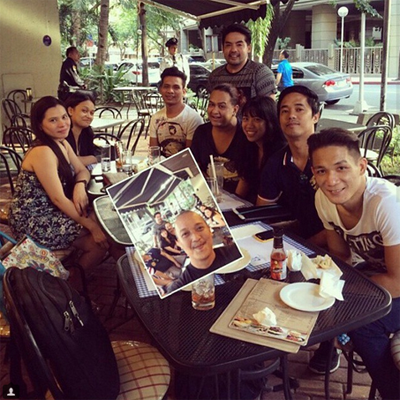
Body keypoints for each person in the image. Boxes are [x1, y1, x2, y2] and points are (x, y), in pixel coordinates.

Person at [308, 128, 400, 400]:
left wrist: (340, 292)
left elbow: (396, 282)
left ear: (362, 167)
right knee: (319, 301)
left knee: (361, 323)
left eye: (341, 168)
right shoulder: (323, 200)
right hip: (376, 276)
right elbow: (342, 258)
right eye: (321, 171)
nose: (331, 180)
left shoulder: (386, 203)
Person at [8, 96, 108, 275]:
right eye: (53, 120)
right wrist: (91, 227)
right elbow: (58, 199)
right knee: (98, 235)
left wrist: (79, 186)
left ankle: (70, 290)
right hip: (34, 219)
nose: (62, 124)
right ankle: (69, 292)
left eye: (64, 117)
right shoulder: (43, 151)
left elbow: (82, 170)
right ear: (40, 125)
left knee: (100, 221)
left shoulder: (61, 142)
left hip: (52, 211)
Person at [257, 85, 326, 247]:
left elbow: (347, 223)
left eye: (299, 109)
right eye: (285, 111)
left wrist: (300, 247)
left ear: (315, 116)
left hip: (338, 248)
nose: (291, 116)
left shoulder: (331, 160)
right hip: (296, 243)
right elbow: (262, 214)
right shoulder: (276, 162)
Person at [190, 83, 250, 197]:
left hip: (239, 202)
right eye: (211, 104)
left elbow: (247, 178)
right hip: (209, 197)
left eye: (222, 106)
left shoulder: (245, 134)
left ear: (235, 109)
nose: (214, 111)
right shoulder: (201, 132)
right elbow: (196, 167)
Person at [167, 211, 241, 293]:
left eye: (199, 228)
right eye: (185, 234)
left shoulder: (237, 252)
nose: (196, 238)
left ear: (209, 230)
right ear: (179, 244)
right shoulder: (180, 288)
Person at [208, 24, 276, 102]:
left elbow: (269, 111)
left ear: (249, 48)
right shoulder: (215, 76)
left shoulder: (261, 73)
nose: (233, 50)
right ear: (223, 48)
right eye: (228, 45)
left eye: (239, 45)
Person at [238, 96, 286, 203]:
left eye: (257, 119)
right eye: (246, 119)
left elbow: (264, 207)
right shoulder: (250, 147)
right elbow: (244, 183)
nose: (249, 125)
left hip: (271, 213)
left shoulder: (279, 154)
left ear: (271, 122)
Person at [149, 67, 203, 157]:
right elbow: (154, 153)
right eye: (166, 86)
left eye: (176, 87)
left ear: (184, 91)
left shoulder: (193, 119)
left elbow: (189, 157)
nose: (170, 91)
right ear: (160, 90)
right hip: (162, 167)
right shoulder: (156, 118)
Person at [64, 92, 97, 167]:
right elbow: (65, 161)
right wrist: (91, 159)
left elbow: (92, 157)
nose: (89, 116)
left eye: (92, 113)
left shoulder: (87, 133)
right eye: (84, 111)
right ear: (70, 111)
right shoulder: (62, 133)